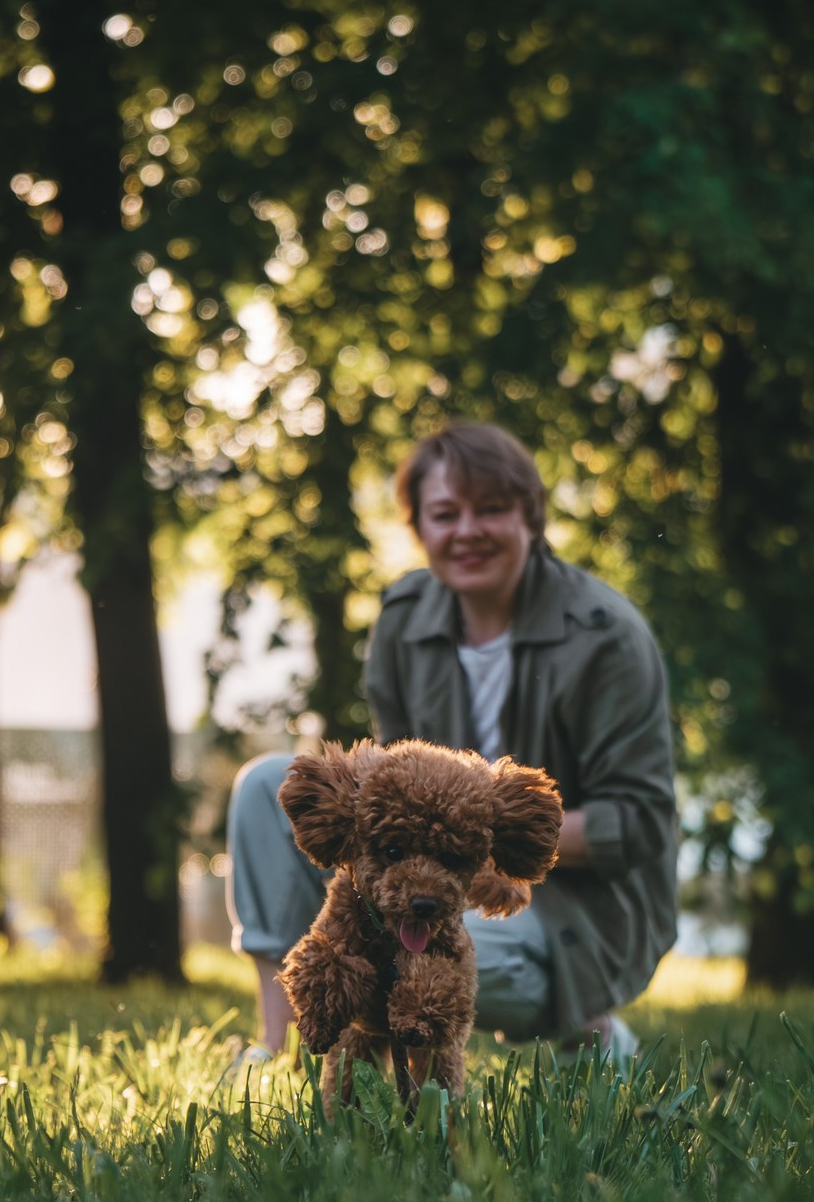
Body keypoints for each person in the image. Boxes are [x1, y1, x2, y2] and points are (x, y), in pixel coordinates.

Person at [226, 420, 679, 1058]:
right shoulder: (404, 620)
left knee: (415, 954)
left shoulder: (606, 637)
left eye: (490, 509)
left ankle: (594, 1032)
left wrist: (482, 842)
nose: (467, 531)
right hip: (427, 874)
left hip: (575, 909)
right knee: (263, 787)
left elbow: (640, 823)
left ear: (530, 515)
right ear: (418, 526)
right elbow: (391, 783)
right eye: (444, 514)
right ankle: (279, 1049)